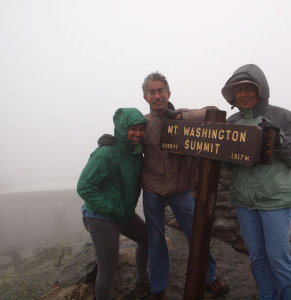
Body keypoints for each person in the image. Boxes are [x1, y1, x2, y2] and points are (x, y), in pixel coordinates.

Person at [98, 72, 230, 299]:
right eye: (152, 92)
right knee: (156, 239)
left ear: (168, 93)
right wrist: (108, 140)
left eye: (161, 91)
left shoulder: (183, 117)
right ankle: (158, 287)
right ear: (145, 97)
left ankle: (210, 276)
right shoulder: (144, 123)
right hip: (153, 191)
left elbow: (213, 112)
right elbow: (126, 136)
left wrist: (180, 115)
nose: (157, 96)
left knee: (197, 233)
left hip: (181, 190)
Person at [221, 64, 291, 300]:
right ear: (233, 95)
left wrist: (277, 140)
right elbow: (227, 165)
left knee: (278, 258)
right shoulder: (232, 122)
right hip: (244, 201)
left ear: (261, 89)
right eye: (238, 90)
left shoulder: (282, 116)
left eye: (249, 88)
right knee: (257, 257)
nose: (244, 94)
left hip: (275, 201)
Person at [77, 108, 150, 300]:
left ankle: (142, 281)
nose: (138, 133)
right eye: (132, 128)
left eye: (142, 129)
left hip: (122, 213)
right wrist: (112, 209)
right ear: (121, 128)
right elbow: (84, 187)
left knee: (147, 240)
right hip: (101, 217)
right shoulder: (105, 154)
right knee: (108, 269)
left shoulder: (136, 154)